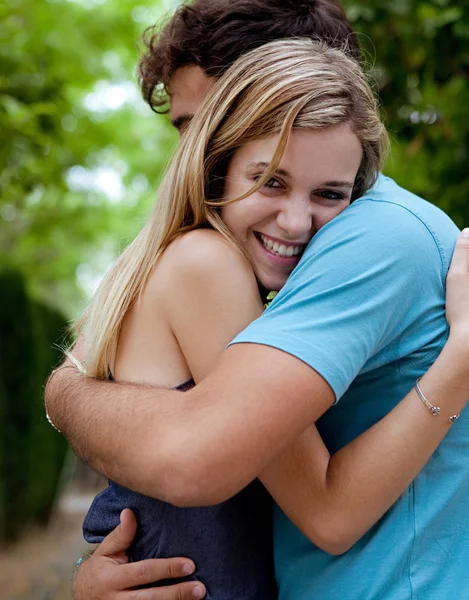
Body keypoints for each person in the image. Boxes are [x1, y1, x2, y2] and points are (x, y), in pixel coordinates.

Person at [46, 5, 469, 600]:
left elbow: (227, 473)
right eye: (188, 129)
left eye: (215, 119)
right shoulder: (208, 261)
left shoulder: (373, 238)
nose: (197, 150)